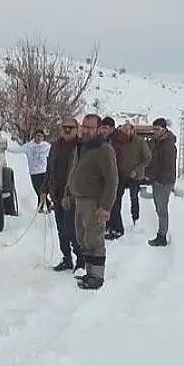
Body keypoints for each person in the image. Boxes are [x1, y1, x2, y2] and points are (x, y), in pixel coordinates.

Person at [61, 113, 118, 290]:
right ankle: (90, 272)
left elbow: (112, 180)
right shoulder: (81, 147)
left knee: (94, 239)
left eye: (90, 127)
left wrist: (106, 207)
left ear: (99, 129)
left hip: (94, 202)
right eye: (84, 126)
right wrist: (68, 194)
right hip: (79, 200)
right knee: (83, 238)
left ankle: (97, 277)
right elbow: (73, 173)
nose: (85, 130)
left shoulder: (104, 150)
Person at [43, 118, 82, 271]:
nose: (67, 130)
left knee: (71, 230)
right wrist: (43, 189)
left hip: (73, 196)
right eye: (64, 127)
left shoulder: (81, 147)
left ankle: (81, 260)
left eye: (70, 128)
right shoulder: (55, 146)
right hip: (56, 193)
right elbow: (49, 169)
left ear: (76, 129)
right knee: (61, 230)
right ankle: (66, 258)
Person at [106, 121, 152, 238]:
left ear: (132, 130)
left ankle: (135, 219)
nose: (125, 133)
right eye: (123, 131)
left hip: (135, 176)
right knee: (116, 199)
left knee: (133, 197)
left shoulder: (139, 142)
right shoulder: (120, 142)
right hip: (122, 175)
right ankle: (116, 222)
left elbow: (147, 158)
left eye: (127, 130)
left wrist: (137, 170)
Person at [146, 117, 178, 247]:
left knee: (162, 209)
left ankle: (162, 236)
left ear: (164, 130)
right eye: (154, 129)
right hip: (157, 181)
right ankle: (161, 233)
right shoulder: (157, 142)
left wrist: (156, 178)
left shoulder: (168, 145)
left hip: (164, 182)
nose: (155, 131)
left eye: (157, 129)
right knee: (159, 208)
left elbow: (168, 167)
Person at [11, 129, 52, 211]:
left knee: (44, 190)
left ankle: (41, 207)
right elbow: (17, 150)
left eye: (41, 136)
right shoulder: (29, 146)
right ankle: (47, 204)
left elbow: (53, 153)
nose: (39, 138)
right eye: (37, 136)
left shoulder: (46, 146)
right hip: (34, 172)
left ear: (43, 138)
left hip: (44, 171)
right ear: (34, 136)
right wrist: (5, 148)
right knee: (38, 190)